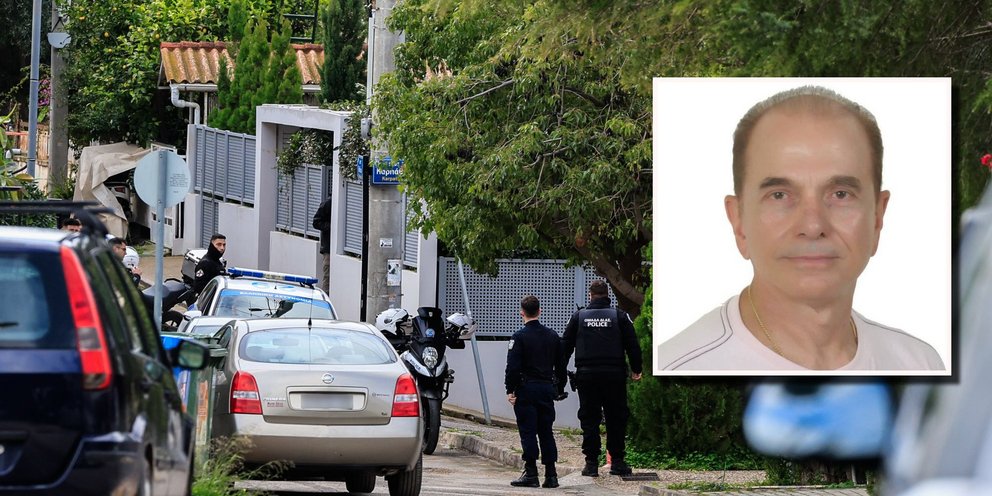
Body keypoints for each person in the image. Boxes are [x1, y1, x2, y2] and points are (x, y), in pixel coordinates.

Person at [656, 86, 945, 372]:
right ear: (738, 221)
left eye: (841, 194)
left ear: (877, 217)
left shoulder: (921, 364)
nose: (813, 225)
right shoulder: (677, 369)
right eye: (779, 195)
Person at [561, 280, 642, 477]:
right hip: (614, 375)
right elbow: (633, 345)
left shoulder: (579, 317)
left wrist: (559, 372)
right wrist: (636, 369)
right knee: (616, 417)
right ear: (608, 295)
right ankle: (617, 462)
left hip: (587, 376)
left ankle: (591, 464)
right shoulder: (619, 316)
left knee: (589, 418)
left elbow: (565, 347)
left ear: (590, 295)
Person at [504, 295, 567, 489]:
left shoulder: (519, 337)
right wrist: (559, 388)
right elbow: (561, 366)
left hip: (527, 390)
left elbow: (512, 367)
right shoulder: (552, 336)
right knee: (546, 431)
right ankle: (551, 474)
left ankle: (531, 473)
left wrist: (510, 389)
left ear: (521, 312)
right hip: (546, 388)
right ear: (539, 311)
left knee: (528, 431)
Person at [312, 196, 332, 293]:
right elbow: (316, 222)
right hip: (328, 248)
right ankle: (326, 296)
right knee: (327, 276)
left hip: (330, 246)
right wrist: (331, 227)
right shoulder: (328, 202)